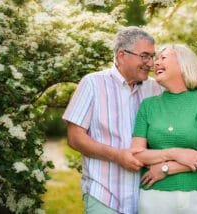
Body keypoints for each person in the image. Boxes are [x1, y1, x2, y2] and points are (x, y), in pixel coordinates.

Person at [62, 26, 163, 214]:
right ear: (122, 55)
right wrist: (117, 155)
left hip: (148, 196)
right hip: (104, 195)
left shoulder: (155, 89)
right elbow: (75, 138)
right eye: (144, 56)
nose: (150, 63)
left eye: (152, 56)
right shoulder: (92, 83)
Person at [131, 44, 197, 214]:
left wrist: (165, 168)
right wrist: (174, 153)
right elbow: (137, 153)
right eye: (156, 59)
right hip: (154, 196)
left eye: (163, 58)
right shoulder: (148, 106)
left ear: (183, 63)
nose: (156, 63)